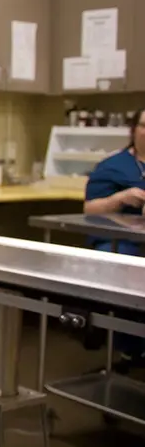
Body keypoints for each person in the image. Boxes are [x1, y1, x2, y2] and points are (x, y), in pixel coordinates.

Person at [83, 108, 145, 358]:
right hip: (121, 242)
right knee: (127, 267)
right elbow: (90, 208)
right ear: (133, 130)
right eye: (143, 125)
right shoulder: (113, 166)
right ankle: (130, 347)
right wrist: (120, 198)